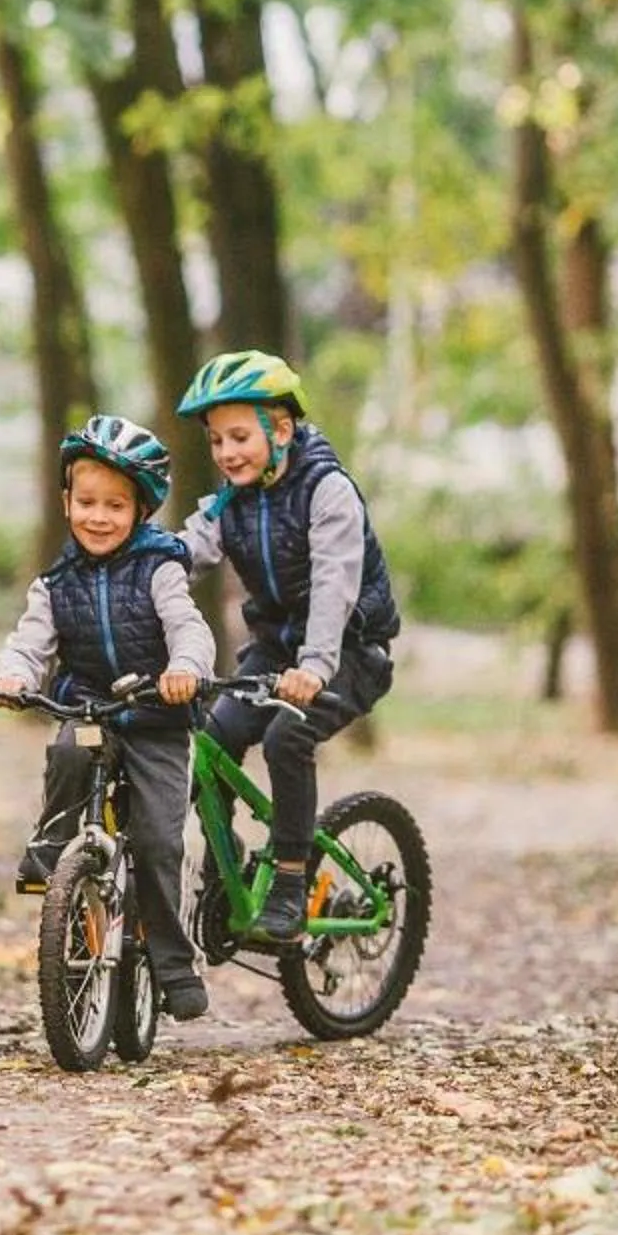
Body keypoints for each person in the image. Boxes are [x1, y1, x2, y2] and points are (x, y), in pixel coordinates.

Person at [0, 416, 214, 1024]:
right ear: (66, 501)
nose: (98, 517)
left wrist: (185, 667)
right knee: (69, 750)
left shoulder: (159, 568)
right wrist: (13, 678)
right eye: (86, 502)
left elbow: (189, 628)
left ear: (141, 511)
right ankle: (56, 846)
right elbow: (30, 643)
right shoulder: (55, 583)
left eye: (115, 505)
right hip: (93, 707)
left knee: (160, 840)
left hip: (158, 717)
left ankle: (174, 964)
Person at [173, 350, 401, 944]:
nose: (227, 453)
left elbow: (333, 585)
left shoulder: (326, 491)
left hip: (350, 651)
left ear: (280, 431)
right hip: (276, 650)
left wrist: (316, 666)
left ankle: (292, 879)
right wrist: (131, 582)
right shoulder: (230, 502)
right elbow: (180, 556)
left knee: (286, 737)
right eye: (216, 440)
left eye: (239, 437)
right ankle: (225, 865)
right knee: (215, 736)